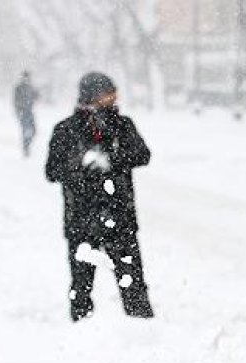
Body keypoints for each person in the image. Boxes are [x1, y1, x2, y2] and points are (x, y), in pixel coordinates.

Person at [45, 72, 154, 322]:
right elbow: (52, 171)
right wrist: (80, 164)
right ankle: (83, 336)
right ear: (91, 96)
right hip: (81, 220)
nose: (113, 98)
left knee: (133, 284)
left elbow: (142, 154)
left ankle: (144, 334)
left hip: (120, 217)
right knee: (81, 286)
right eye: (108, 93)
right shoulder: (66, 130)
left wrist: (111, 160)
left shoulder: (123, 125)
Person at [13, 71, 40, 157]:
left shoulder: (30, 87)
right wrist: (19, 110)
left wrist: (37, 93)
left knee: (34, 130)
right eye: (25, 77)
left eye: (28, 77)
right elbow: (15, 101)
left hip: (29, 112)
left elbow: (36, 97)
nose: (27, 79)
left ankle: (26, 146)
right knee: (26, 130)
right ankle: (26, 148)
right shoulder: (19, 88)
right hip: (22, 112)